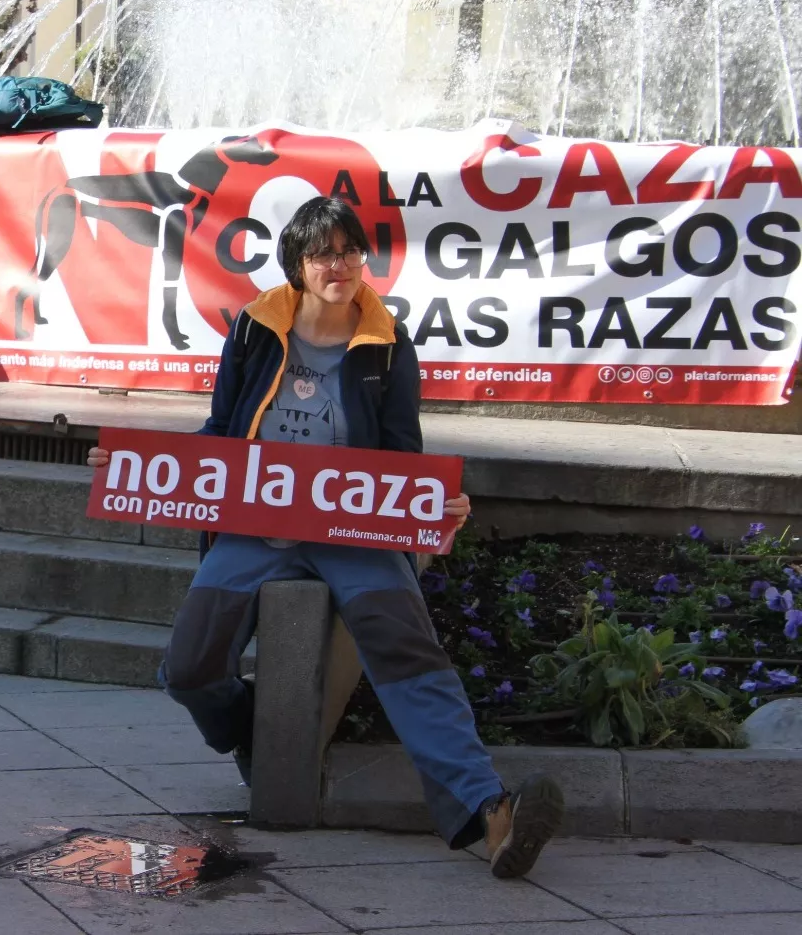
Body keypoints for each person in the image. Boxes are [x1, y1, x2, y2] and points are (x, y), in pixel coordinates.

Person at [88, 196, 564, 880]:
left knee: (409, 654)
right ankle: (248, 731)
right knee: (189, 668)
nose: (338, 265)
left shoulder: (390, 344)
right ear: (298, 265)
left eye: (348, 251)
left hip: (352, 529)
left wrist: (439, 503)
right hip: (257, 522)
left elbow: (403, 453)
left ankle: (490, 813)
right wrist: (131, 461)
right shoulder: (255, 329)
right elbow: (222, 432)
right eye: (322, 253)